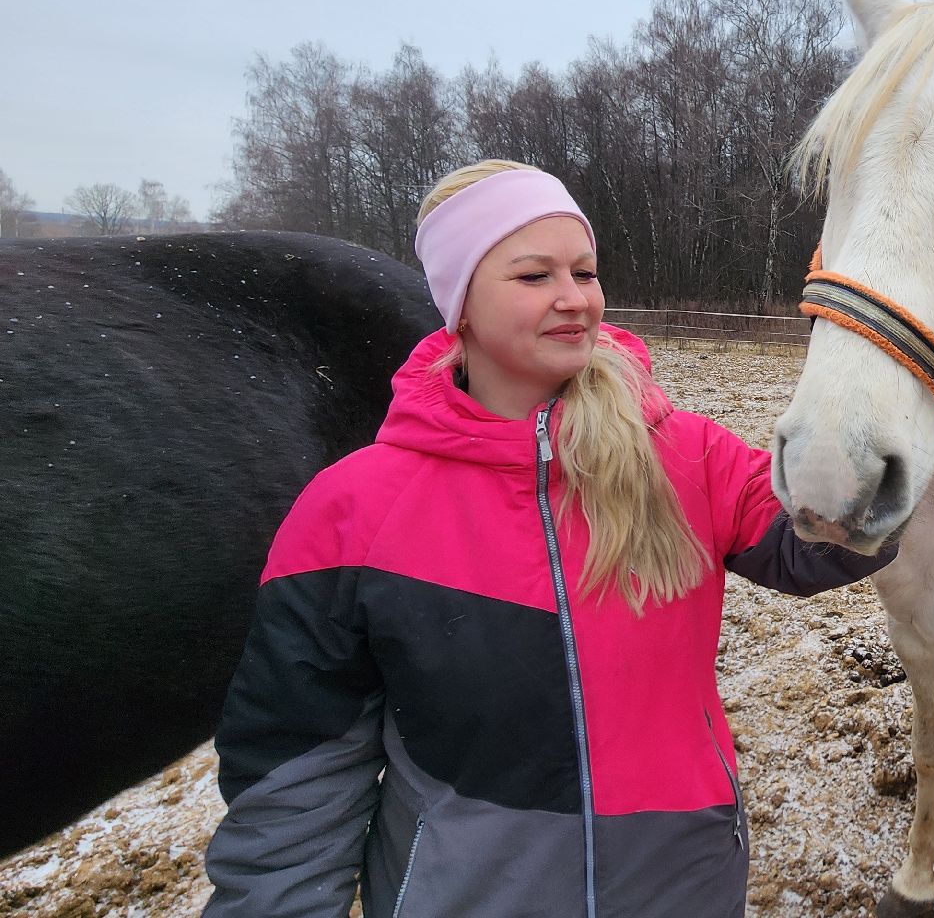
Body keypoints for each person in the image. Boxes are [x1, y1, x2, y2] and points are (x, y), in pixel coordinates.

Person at [202, 160, 893, 917]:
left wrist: (910, 407)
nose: (574, 299)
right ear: (458, 304)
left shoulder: (685, 456)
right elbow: (298, 778)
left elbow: (819, 539)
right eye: (534, 276)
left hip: (684, 887)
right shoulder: (351, 512)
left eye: (585, 272)